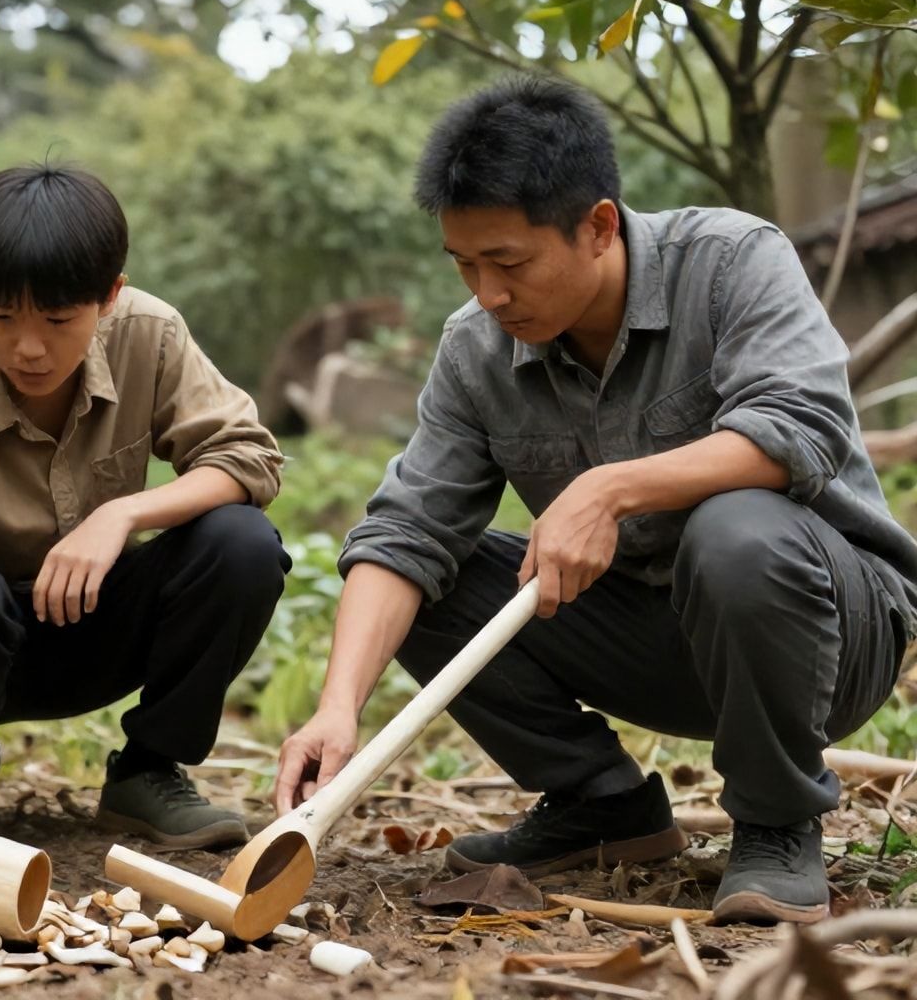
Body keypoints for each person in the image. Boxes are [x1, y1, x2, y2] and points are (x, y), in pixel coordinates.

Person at [273, 76, 915, 925]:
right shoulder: (476, 350)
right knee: (430, 576)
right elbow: (404, 532)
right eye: (464, 265)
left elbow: (797, 430)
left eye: (508, 263)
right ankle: (601, 807)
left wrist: (609, 488)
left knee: (736, 529)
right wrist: (336, 709)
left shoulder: (732, 261)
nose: (487, 294)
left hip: (829, 629)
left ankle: (776, 820)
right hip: (660, 642)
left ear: (600, 226)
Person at [0, 163, 290, 851]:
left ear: (111, 298)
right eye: (1, 316)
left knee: (241, 540)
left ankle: (149, 773)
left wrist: (121, 515)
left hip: (99, 624)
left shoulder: (150, 336)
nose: (28, 347)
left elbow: (247, 457)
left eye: (59, 320)